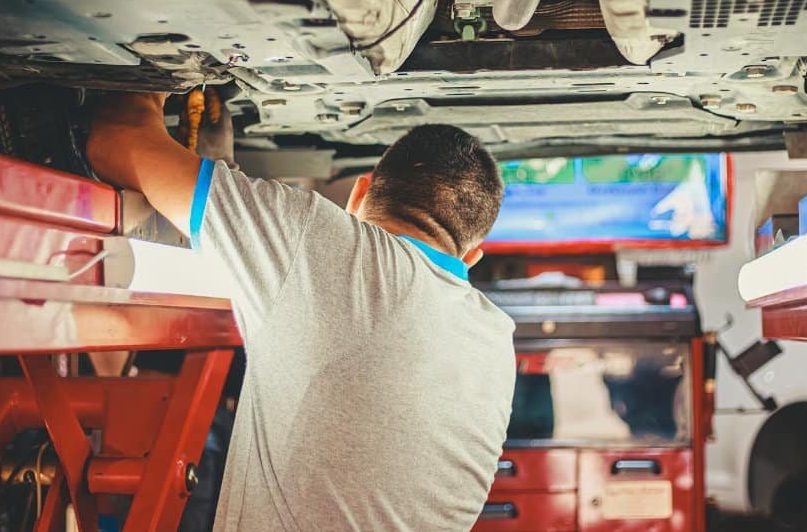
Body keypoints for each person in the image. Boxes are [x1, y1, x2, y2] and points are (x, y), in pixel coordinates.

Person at [86, 92, 515, 530]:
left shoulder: (324, 245)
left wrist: (157, 79)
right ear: (471, 258)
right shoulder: (497, 341)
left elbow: (117, 141)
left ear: (358, 193)